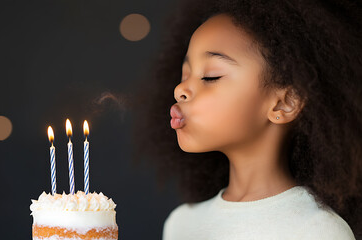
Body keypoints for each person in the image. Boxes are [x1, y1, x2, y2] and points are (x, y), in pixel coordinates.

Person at [134, 0, 362, 239]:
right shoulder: (181, 224)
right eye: (185, 74)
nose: (180, 89)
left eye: (211, 76)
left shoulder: (316, 230)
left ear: (284, 104)